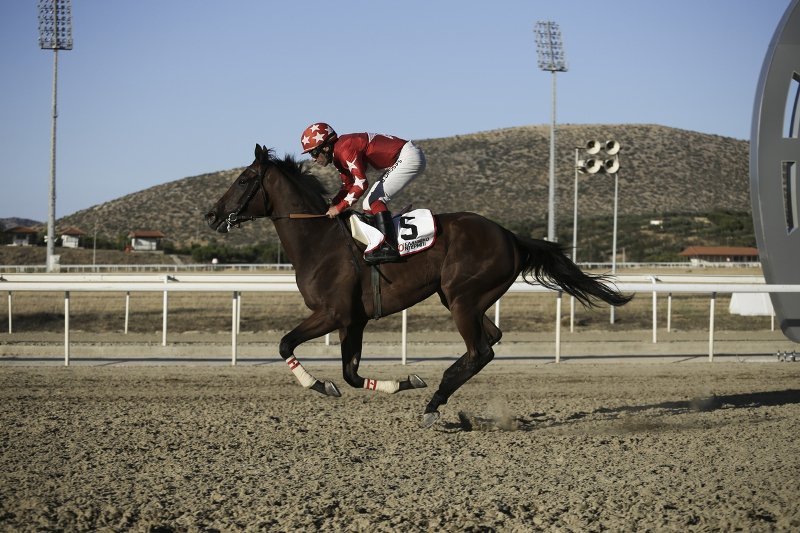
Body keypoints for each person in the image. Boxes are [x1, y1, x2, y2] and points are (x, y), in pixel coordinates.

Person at [300, 122, 426, 264]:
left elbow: (361, 183)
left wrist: (339, 208)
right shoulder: (338, 156)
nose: (313, 158)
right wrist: (332, 204)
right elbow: (347, 186)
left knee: (373, 201)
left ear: (326, 147)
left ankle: (389, 247)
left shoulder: (345, 148)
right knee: (368, 205)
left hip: (408, 157)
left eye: (314, 152)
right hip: (403, 157)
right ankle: (383, 241)